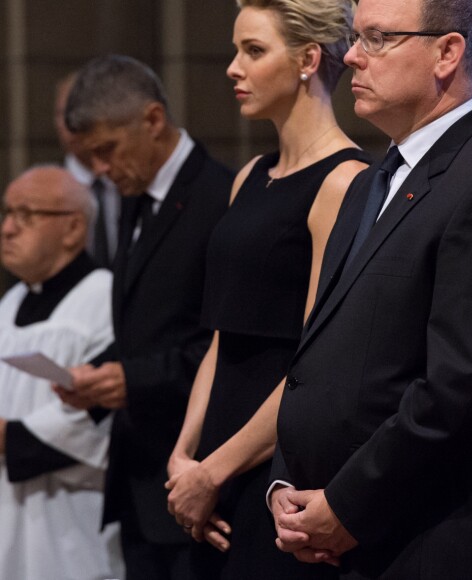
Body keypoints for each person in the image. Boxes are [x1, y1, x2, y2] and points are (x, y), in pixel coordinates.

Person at [269, 0, 472, 578]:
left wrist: (345, 506)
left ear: (446, 53)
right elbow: (316, 360)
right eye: (354, 38)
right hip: (331, 537)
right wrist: (285, 484)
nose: (350, 57)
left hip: (432, 542)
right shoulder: (367, 185)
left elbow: (458, 392)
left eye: (375, 38)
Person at [165, 0, 370, 578]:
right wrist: (185, 457)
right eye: (236, 49)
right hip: (210, 464)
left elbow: (316, 363)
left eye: (253, 51)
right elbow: (220, 342)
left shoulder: (344, 181)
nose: (232, 66)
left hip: (274, 464)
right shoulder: (248, 176)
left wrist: (217, 470)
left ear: (308, 59)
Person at [54, 55, 233, 580]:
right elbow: (145, 326)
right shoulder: (134, 197)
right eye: (91, 158)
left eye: (107, 151)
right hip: (138, 479)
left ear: (153, 120)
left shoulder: (221, 197)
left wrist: (131, 379)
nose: (102, 171)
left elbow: (229, 348)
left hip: (197, 477)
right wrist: (97, 376)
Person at [0, 166, 123, 580]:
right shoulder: (10, 302)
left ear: (73, 229)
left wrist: (8, 437)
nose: (7, 228)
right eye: (6, 213)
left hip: (72, 528)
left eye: (25, 215)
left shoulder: (105, 298)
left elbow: (96, 416)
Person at [54, 72, 121, 268]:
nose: (70, 124)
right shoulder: (43, 191)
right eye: (61, 113)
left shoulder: (139, 184)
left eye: (79, 113)